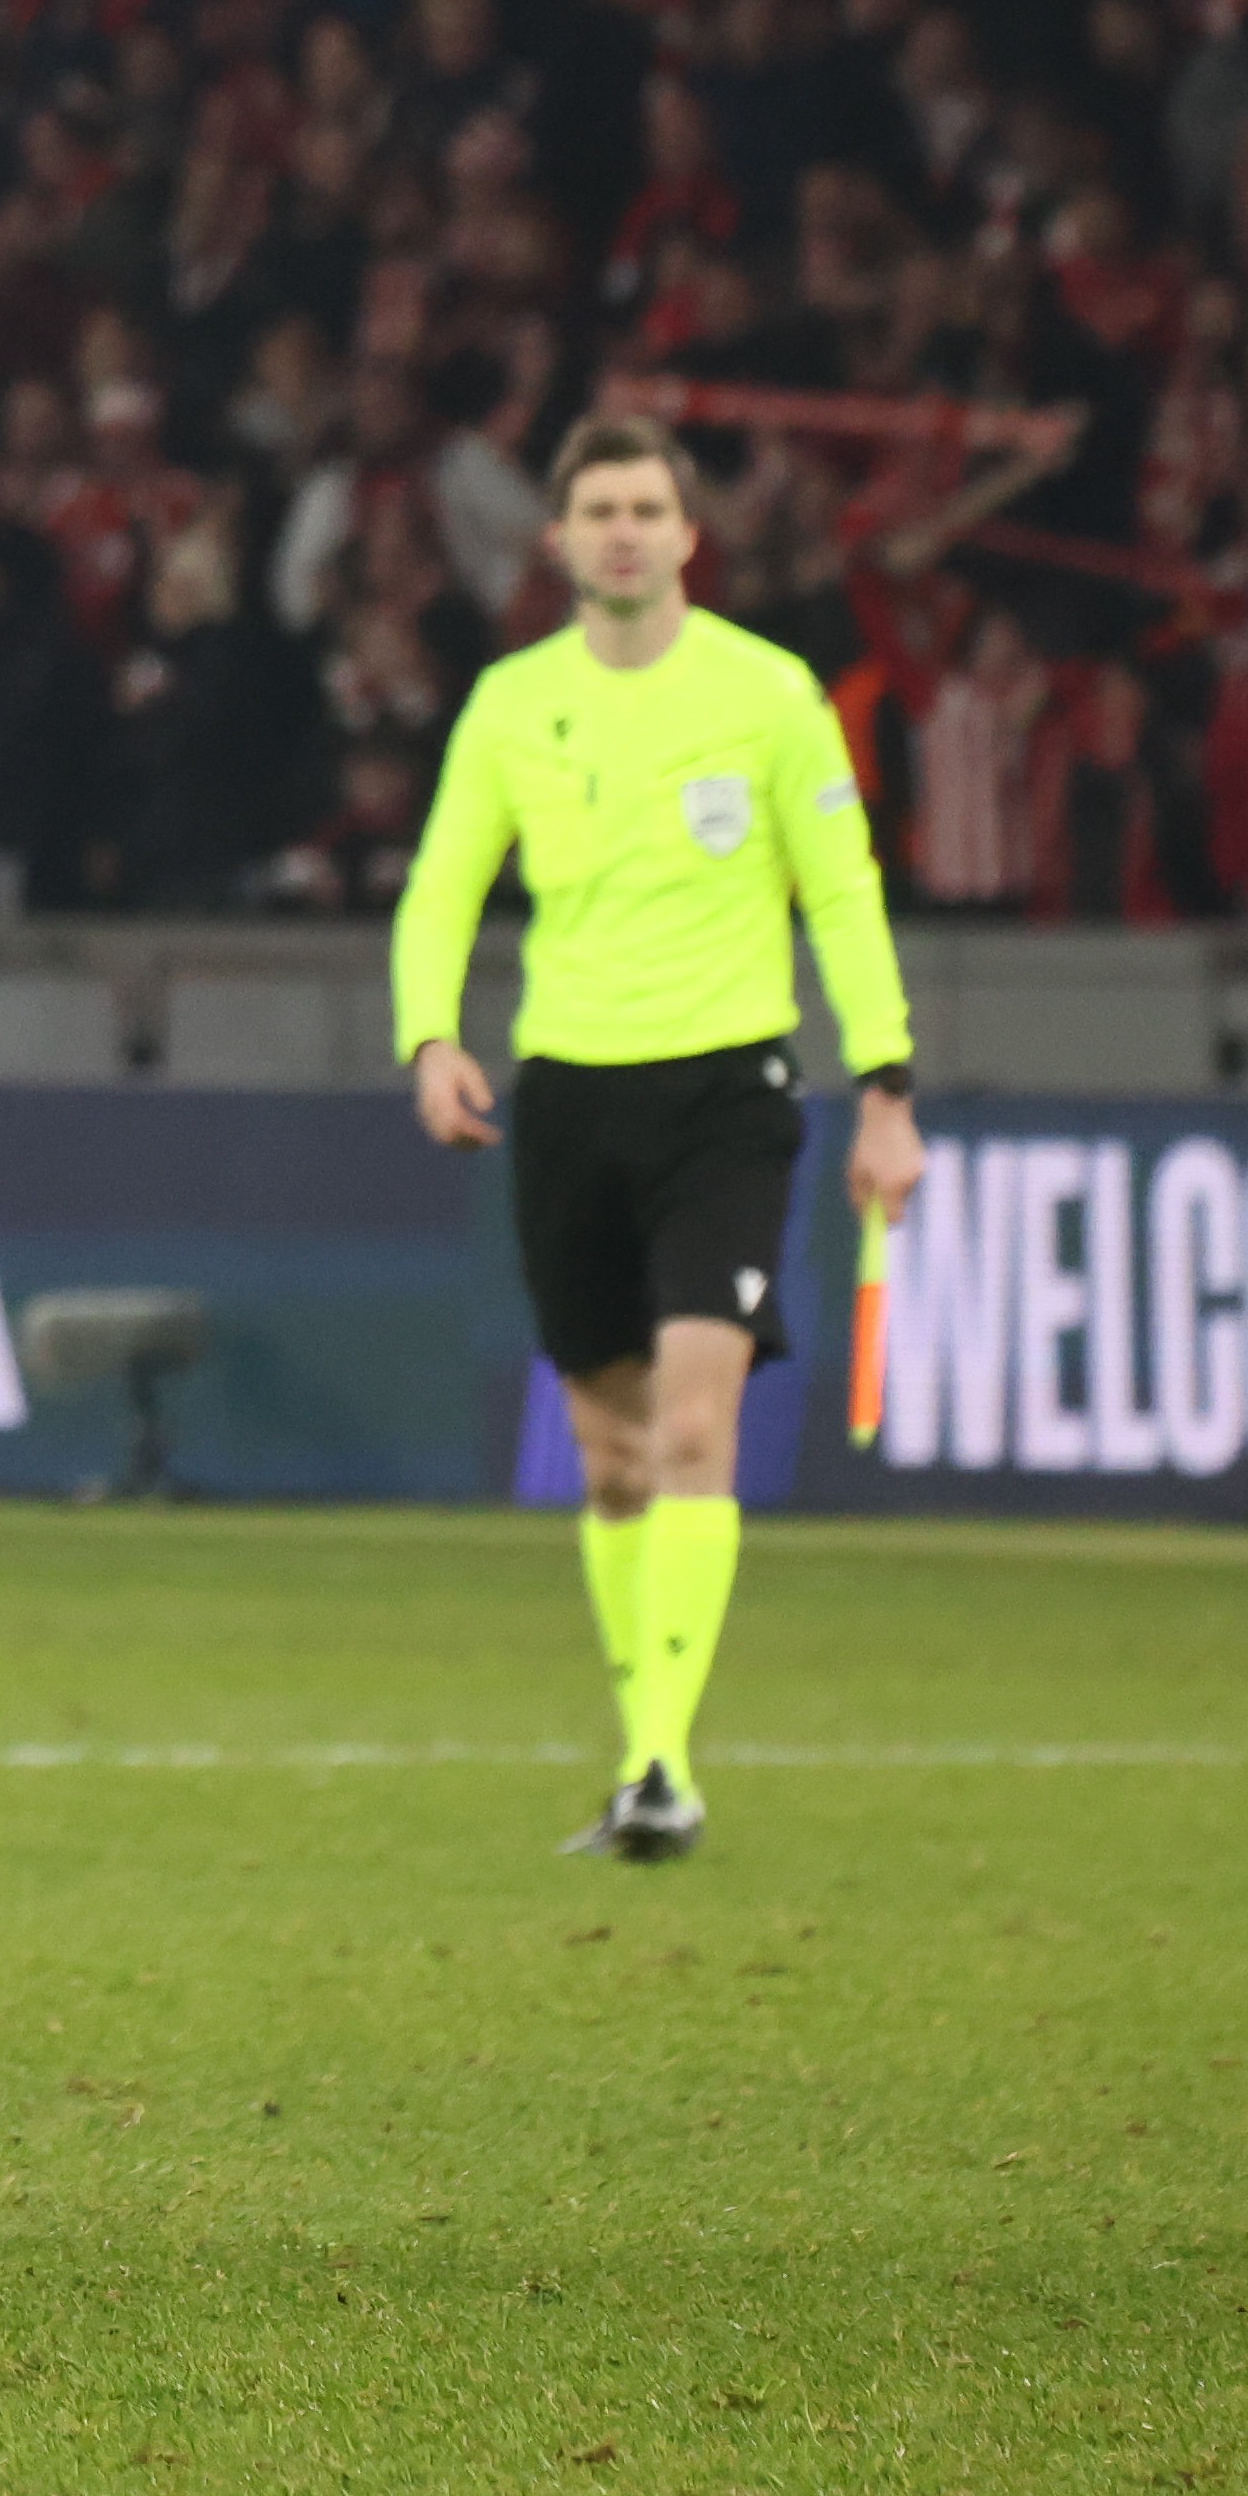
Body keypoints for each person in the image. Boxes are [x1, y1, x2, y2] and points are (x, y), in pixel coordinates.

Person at [389, 414, 924, 1864]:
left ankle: (660, 1767)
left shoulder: (768, 694)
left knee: (695, 1427)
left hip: (725, 1097)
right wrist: (430, 1038)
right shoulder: (513, 703)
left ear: (690, 535)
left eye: (647, 509)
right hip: (568, 1096)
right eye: (600, 511)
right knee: (612, 1457)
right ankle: (644, 1754)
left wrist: (886, 1084)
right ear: (558, 538)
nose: (624, 532)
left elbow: (844, 891)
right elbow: (441, 888)